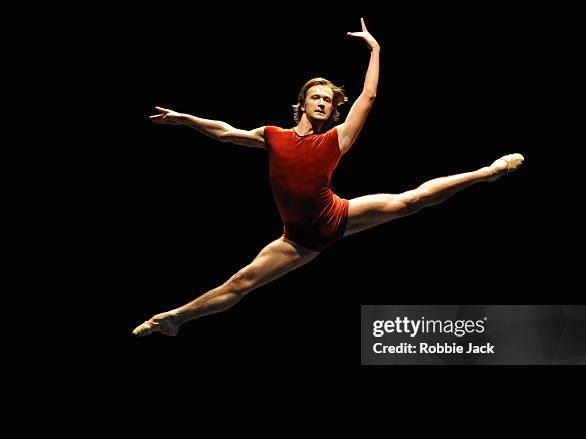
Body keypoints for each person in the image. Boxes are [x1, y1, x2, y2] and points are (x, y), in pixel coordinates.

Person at [132, 18, 524, 337]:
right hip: (298, 239)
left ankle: (486, 172)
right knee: (240, 283)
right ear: (302, 103)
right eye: (317, 98)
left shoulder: (336, 139)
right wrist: (186, 119)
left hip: (338, 216)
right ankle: (174, 318)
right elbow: (224, 130)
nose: (323, 103)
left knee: (411, 201)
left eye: (330, 101)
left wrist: (376, 50)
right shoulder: (273, 137)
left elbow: (368, 98)